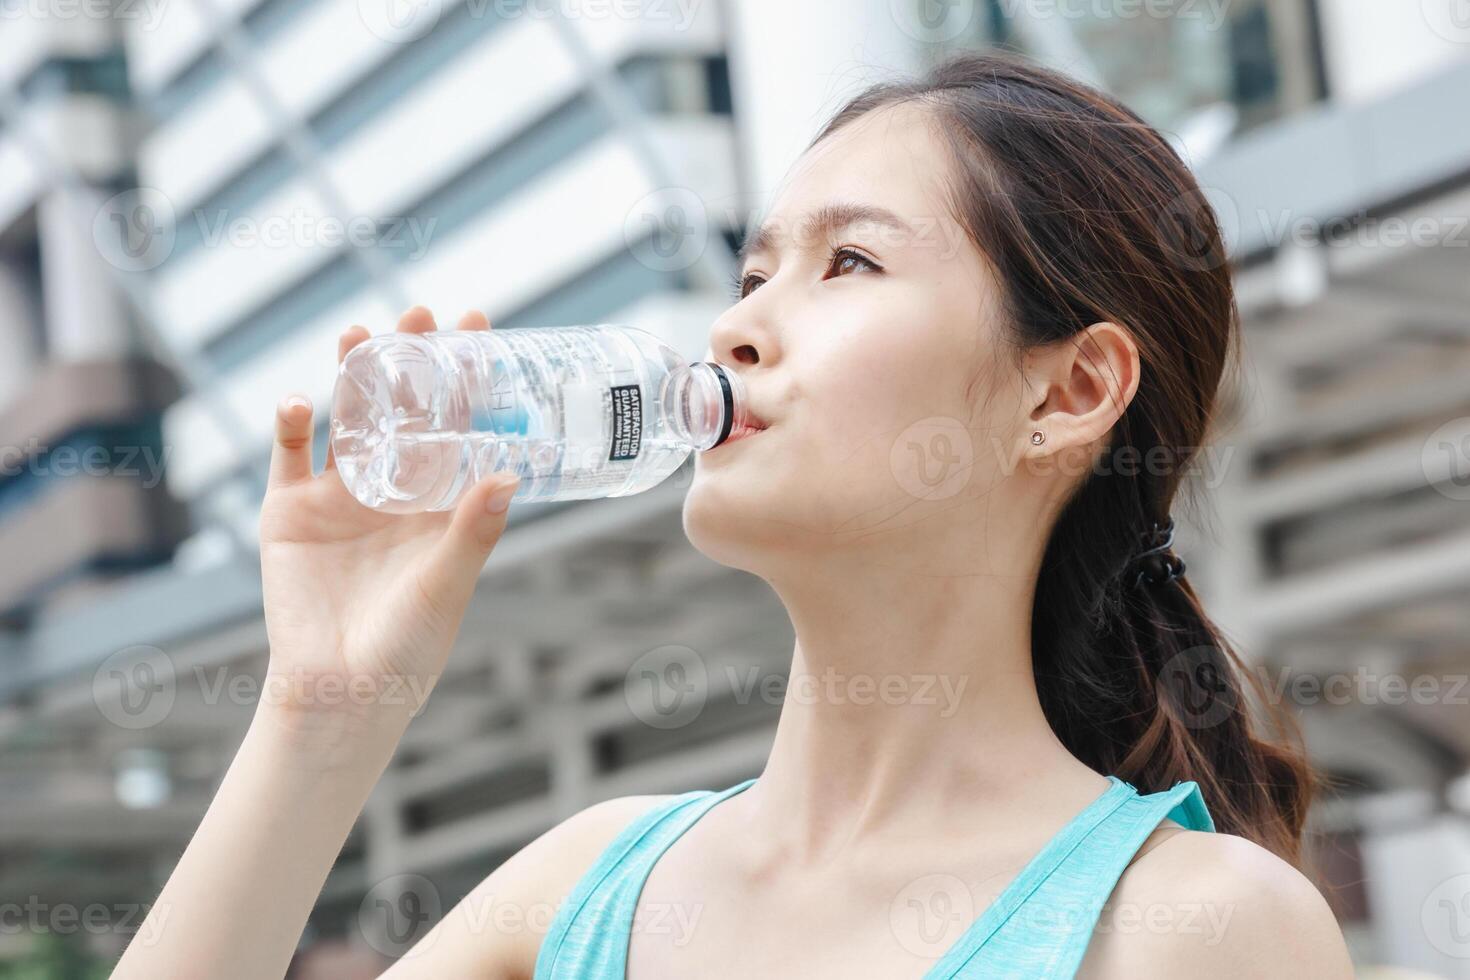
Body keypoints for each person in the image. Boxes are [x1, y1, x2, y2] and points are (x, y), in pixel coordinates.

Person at [112, 51, 1354, 979]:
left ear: (1067, 392)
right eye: (752, 272)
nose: (735, 323)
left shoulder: (1192, 924)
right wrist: (320, 716)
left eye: (848, 262)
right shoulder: (581, 889)